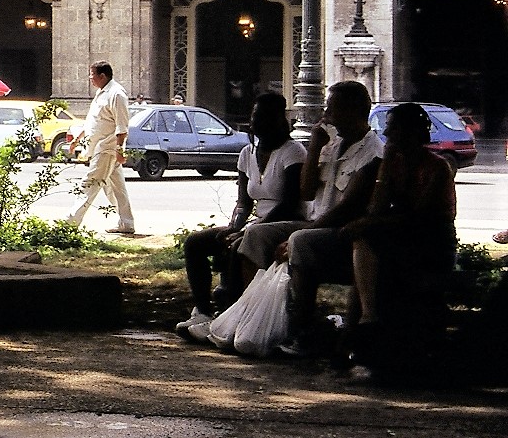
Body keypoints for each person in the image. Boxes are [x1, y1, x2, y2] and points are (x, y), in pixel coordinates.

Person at [242, 80, 384, 358]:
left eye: (332, 110)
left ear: (353, 111)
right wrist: (316, 147)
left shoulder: (373, 151)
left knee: (302, 241)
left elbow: (348, 208)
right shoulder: (331, 145)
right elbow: (306, 192)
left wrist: (293, 239)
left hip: (341, 232)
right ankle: (250, 315)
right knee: (256, 235)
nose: (326, 116)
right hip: (314, 222)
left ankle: (301, 329)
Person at [177, 92, 306, 337]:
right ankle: (203, 311)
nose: (256, 123)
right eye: (254, 116)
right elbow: (243, 203)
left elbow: (290, 202)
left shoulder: (293, 152)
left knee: (242, 244)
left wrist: (245, 232)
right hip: (257, 224)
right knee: (196, 243)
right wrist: (234, 226)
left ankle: (230, 315)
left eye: (263, 117)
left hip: (287, 223)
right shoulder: (247, 153)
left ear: (280, 120)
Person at [343, 102, 457, 368]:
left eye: (394, 130)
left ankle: (360, 331)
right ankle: (362, 327)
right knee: (365, 248)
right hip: (402, 235)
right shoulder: (393, 165)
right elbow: (376, 209)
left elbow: (421, 217)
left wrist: (373, 223)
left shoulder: (437, 167)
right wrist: (383, 172)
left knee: (370, 247)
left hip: (431, 242)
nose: (389, 136)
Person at [66, 61, 136, 235]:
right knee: (117, 188)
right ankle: (126, 223)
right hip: (98, 147)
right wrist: (78, 139)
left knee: (89, 184)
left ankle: (69, 224)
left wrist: (120, 151)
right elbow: (93, 121)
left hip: (107, 148)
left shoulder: (117, 94)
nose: (90, 79)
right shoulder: (101, 93)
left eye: (92, 75)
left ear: (102, 76)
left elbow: (122, 127)